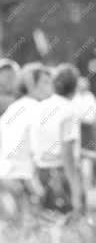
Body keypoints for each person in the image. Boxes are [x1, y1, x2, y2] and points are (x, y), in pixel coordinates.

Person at [0, 63, 51, 222]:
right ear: (30, 84)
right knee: (30, 230)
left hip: (6, 175)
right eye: (45, 82)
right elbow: (38, 149)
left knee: (12, 233)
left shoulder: (14, 108)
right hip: (22, 178)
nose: (50, 87)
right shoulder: (38, 109)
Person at [32, 63, 85, 218]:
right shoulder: (69, 110)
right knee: (69, 226)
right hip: (61, 174)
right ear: (75, 87)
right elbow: (67, 151)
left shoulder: (39, 107)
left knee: (47, 225)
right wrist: (76, 189)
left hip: (41, 172)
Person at [71, 75, 96, 188]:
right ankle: (77, 180)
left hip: (90, 127)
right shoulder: (74, 97)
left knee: (95, 153)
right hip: (79, 127)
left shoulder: (91, 97)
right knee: (78, 154)